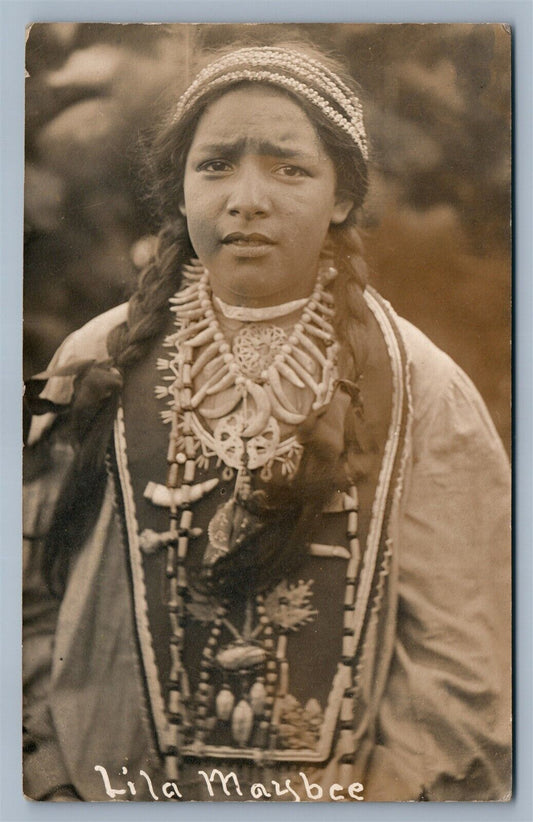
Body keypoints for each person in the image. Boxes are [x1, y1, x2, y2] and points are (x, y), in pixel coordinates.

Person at [23, 43, 511, 802]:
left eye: (288, 168)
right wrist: (47, 780)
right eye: (214, 165)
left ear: (342, 197)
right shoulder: (97, 361)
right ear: (181, 194)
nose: (245, 198)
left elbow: (465, 657)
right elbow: (26, 596)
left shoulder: (421, 385)